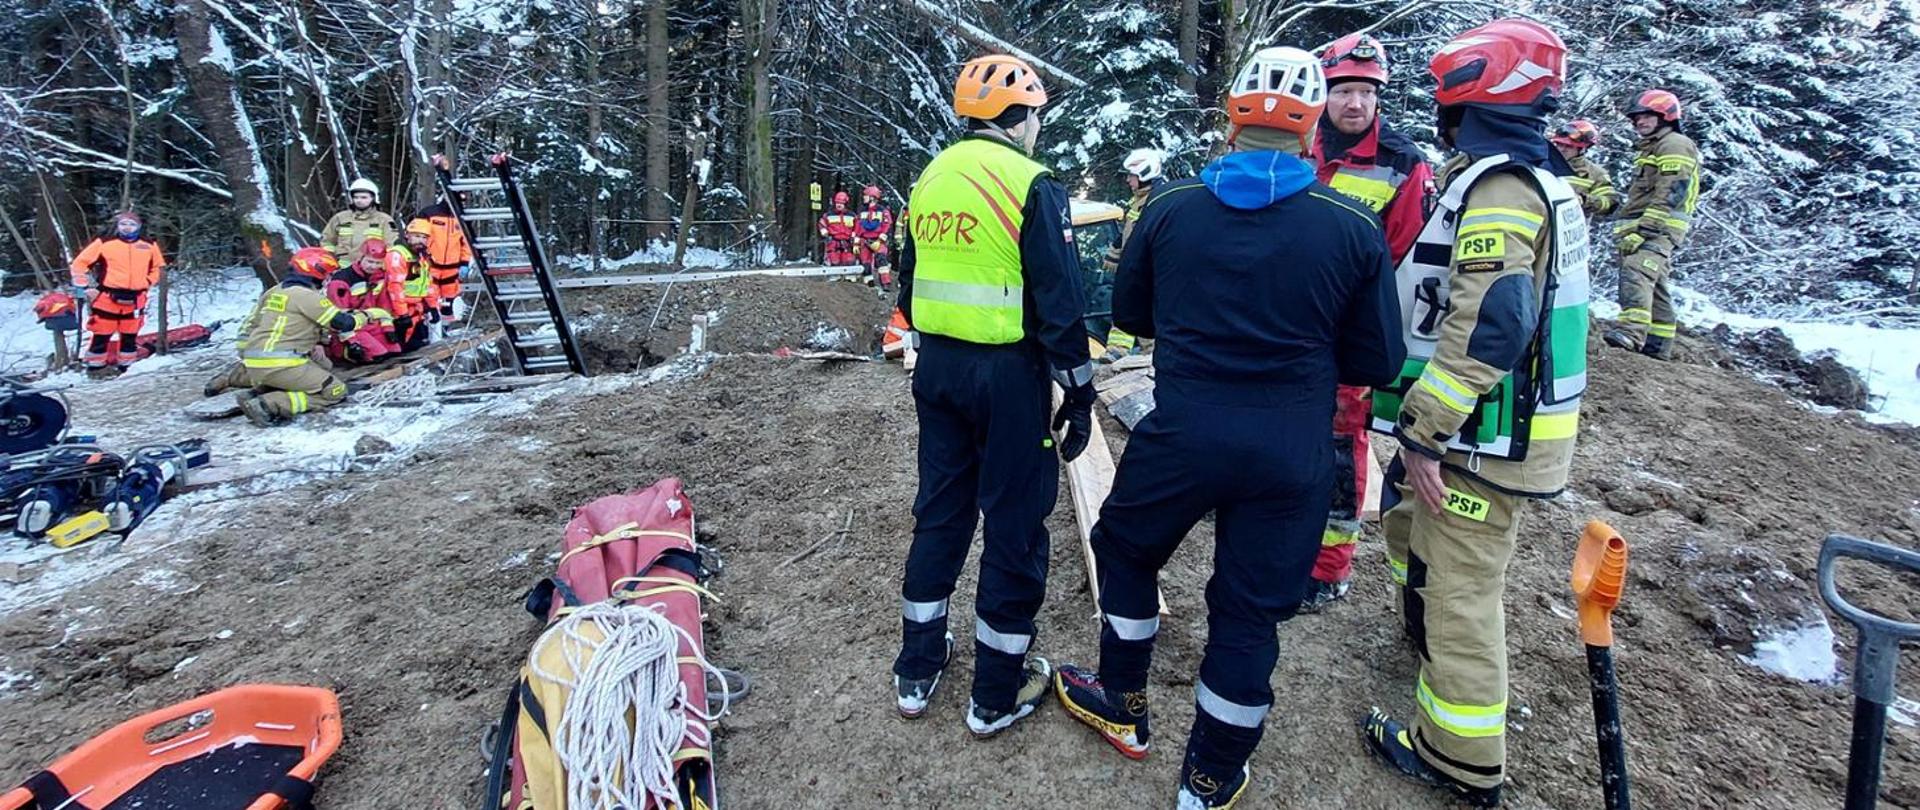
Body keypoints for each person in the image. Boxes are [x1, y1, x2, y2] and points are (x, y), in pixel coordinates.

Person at [1049, 46, 1404, 809]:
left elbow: (1135, 316)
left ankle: (1124, 702)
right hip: (1289, 447)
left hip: (1186, 430)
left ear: (1231, 118)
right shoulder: (1349, 224)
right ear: (1312, 126)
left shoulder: (1173, 206)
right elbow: (1378, 357)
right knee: (1248, 612)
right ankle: (1209, 777)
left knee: (1125, 549)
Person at [1359, 20, 1590, 808]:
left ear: (1471, 94)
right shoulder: (1525, 174)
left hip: (1482, 436)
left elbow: (1492, 324)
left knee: (1461, 588)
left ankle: (1460, 758)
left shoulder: (1498, 188)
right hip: (1479, 429)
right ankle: (1423, 649)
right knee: (1408, 533)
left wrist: (1426, 429)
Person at [890, 53, 1090, 739]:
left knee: (941, 510)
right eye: (1036, 117)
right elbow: (1061, 299)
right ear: (1023, 116)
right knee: (1013, 522)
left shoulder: (931, 177)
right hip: (1007, 375)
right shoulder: (1034, 182)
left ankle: (917, 668)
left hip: (938, 368)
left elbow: (908, 277)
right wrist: (1081, 389)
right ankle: (994, 694)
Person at [1301, 31, 1438, 613]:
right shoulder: (1296, 147)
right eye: (1343, 91)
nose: (1355, 103)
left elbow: (1402, 262)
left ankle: (1329, 566)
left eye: (1366, 92)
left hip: (1345, 336)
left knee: (1338, 450)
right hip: (1286, 326)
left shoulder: (1403, 166)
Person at [210, 247, 385, 427]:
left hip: (254, 360)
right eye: (327, 275)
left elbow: (252, 323)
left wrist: (245, 353)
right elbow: (343, 323)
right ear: (316, 272)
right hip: (284, 362)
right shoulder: (309, 297)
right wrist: (368, 315)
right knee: (335, 390)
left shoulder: (274, 292)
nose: (327, 280)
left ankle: (254, 391)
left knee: (323, 366)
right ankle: (271, 404)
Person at [1602, 89, 1700, 360]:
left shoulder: (1674, 144)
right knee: (1655, 284)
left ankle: (1631, 333)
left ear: (1665, 116)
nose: (1639, 122)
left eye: (1647, 116)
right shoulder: (1654, 147)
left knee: (1637, 272)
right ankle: (1658, 346)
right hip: (1650, 225)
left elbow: (1672, 190)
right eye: (1637, 118)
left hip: (1658, 227)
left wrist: (1645, 229)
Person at [1089, 148, 1162, 362]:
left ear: (1145, 174)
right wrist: (1114, 253)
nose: (1128, 180)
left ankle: (1151, 359)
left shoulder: (1156, 201)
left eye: (1132, 175)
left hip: (1148, 270)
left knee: (1144, 314)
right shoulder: (1139, 200)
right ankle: (1117, 351)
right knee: (1125, 308)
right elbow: (1128, 231)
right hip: (1134, 268)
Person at [69, 211, 166, 372]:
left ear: (139, 226)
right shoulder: (104, 243)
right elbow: (79, 264)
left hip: (136, 298)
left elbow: (158, 267)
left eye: (132, 224)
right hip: (107, 297)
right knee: (101, 333)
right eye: (123, 224)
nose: (127, 228)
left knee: (130, 335)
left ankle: (127, 368)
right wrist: (85, 287)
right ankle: (95, 368)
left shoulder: (149, 244)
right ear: (118, 226)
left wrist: (148, 281)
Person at [324, 238, 402, 365]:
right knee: (377, 356)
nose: (373, 266)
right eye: (370, 261)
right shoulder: (342, 280)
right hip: (351, 329)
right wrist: (352, 342)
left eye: (378, 263)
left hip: (371, 324)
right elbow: (338, 318)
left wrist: (388, 328)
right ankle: (343, 353)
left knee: (395, 352)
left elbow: (384, 306)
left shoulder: (381, 277)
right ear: (361, 257)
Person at [388, 219, 442, 352]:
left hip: (416, 310)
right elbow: (395, 287)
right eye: (417, 236)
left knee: (418, 346)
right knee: (397, 348)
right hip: (396, 311)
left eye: (424, 237)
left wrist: (433, 307)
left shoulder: (422, 257)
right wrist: (402, 314)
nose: (421, 240)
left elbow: (428, 284)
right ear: (407, 235)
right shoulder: (398, 255)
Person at [416, 199, 472, 321]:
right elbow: (416, 235)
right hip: (430, 265)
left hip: (452, 268)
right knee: (428, 299)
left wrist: (465, 262)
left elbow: (466, 243)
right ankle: (427, 329)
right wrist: (420, 256)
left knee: (449, 302)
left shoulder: (463, 217)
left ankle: (446, 330)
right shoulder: (429, 213)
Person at [1551, 120, 1618, 218]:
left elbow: (1609, 203)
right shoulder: (1542, 165)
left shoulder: (1595, 173)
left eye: (1569, 146)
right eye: (1559, 144)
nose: (1562, 149)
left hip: (1570, 228)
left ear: (1582, 149)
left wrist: (1585, 200)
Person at [320, 178, 397, 264]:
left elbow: (392, 246)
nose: (359, 200)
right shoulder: (340, 218)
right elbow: (326, 241)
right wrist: (331, 258)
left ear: (374, 198)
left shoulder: (384, 220)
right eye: (356, 197)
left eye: (364, 197)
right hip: (341, 268)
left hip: (371, 270)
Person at [853, 185, 895, 288]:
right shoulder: (862, 211)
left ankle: (885, 283)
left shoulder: (883, 211)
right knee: (865, 262)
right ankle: (869, 283)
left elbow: (887, 225)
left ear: (872, 197)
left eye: (866, 195)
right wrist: (856, 243)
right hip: (864, 241)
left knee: (881, 260)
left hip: (877, 240)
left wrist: (880, 240)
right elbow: (858, 227)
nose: (864, 197)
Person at [818, 191, 857, 266]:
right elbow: (822, 223)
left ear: (845, 203)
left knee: (849, 262)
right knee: (834, 262)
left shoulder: (852, 215)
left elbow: (857, 227)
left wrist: (854, 236)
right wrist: (825, 232)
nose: (839, 205)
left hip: (848, 243)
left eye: (841, 203)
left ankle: (849, 278)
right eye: (837, 203)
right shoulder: (828, 215)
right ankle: (835, 278)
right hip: (833, 242)